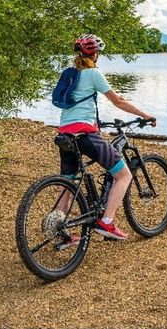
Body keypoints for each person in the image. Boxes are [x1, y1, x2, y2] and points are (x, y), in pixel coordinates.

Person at [56, 33, 155, 245]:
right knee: (123, 175)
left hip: (64, 134)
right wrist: (145, 115)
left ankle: (58, 229)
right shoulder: (93, 73)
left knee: (68, 184)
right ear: (96, 54)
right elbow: (117, 101)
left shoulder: (70, 73)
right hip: (84, 134)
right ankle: (106, 222)